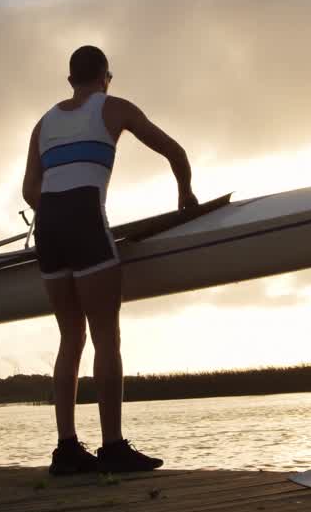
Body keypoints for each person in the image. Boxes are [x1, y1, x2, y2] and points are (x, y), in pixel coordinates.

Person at [21, 45, 197, 474]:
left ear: (69, 80)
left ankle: (66, 449)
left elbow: (29, 190)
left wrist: (54, 214)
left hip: (49, 227)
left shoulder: (43, 123)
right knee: (106, 337)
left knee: (70, 339)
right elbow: (174, 151)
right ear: (106, 77)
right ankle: (113, 446)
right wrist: (185, 194)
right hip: (84, 219)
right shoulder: (115, 107)